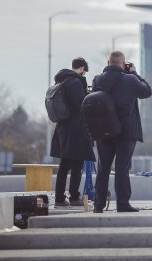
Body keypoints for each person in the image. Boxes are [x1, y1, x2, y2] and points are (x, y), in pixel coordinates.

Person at [92, 51, 152, 213]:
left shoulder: (98, 79)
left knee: (103, 169)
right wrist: (134, 73)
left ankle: (98, 205)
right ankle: (123, 204)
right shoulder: (130, 79)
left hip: (104, 131)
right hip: (126, 131)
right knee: (122, 168)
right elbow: (147, 92)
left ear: (108, 62)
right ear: (123, 63)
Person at [50, 57, 95, 207]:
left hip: (63, 128)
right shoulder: (75, 82)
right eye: (84, 73)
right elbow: (80, 105)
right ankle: (73, 197)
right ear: (82, 68)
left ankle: (60, 198)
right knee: (76, 164)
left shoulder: (61, 81)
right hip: (76, 129)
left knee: (65, 164)